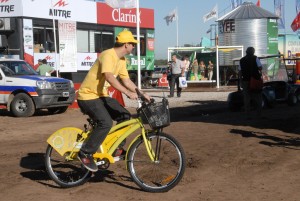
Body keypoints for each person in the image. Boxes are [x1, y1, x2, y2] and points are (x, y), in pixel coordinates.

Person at [77, 30, 151, 172]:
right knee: (105, 122)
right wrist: (127, 93)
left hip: (100, 95)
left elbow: (126, 80)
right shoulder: (108, 55)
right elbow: (110, 77)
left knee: (125, 116)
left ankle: (115, 147)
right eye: (133, 44)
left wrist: (142, 93)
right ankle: (85, 153)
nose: (134, 47)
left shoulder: (122, 60)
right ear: (126, 45)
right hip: (87, 96)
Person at [239, 46, 263, 119]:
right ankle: (258, 114)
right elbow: (260, 68)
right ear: (253, 52)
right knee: (258, 97)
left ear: (246, 52)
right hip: (255, 80)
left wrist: (241, 81)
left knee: (246, 98)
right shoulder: (255, 58)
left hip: (245, 81)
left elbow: (240, 71)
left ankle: (247, 115)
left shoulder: (241, 60)